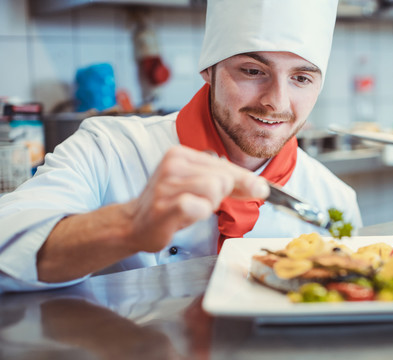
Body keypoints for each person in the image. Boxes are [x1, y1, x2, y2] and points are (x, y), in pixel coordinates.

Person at [0, 0, 362, 293]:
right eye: (253, 71)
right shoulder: (106, 150)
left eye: (301, 78)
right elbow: (8, 249)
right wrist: (128, 226)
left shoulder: (332, 201)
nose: (276, 102)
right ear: (209, 70)